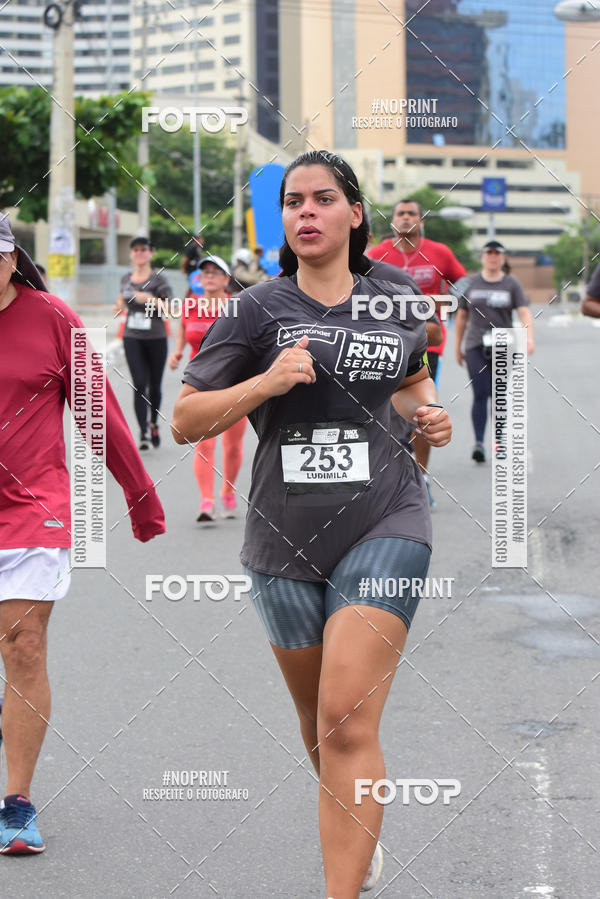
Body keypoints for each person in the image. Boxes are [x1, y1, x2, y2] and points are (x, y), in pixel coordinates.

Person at [172, 150, 452, 897]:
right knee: (321, 727)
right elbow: (185, 420)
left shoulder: (397, 296)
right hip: (282, 539)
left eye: (323, 199)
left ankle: (340, 888)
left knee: (345, 717)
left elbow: (411, 384)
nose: (306, 212)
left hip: (388, 516)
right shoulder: (254, 308)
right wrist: (266, 379)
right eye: (293, 201)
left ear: (355, 213)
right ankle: (356, 839)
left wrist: (426, 418)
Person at [0, 214, 165, 854]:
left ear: (14, 259)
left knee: (24, 647)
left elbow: (100, 412)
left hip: (32, 510)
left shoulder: (52, 319)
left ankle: (16, 802)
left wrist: (141, 496)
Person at [368, 199, 466, 507]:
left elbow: (461, 280)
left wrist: (450, 301)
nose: (407, 217)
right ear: (392, 220)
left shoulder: (439, 252)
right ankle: (387, 475)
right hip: (383, 342)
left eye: (412, 213)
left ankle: (421, 476)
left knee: (422, 408)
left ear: (420, 220)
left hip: (428, 340)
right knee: (383, 410)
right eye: (401, 213)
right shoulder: (377, 255)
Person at [169, 256, 247, 521]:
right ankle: (207, 500)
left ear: (227, 279)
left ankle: (227, 488)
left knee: (233, 445)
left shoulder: (237, 307)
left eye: (216, 272)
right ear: (199, 279)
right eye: (205, 272)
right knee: (204, 443)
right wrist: (178, 352)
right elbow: (182, 328)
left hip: (234, 384)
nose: (210, 276)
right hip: (199, 385)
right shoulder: (190, 305)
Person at [455, 239, 535, 462]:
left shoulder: (511, 283)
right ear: (482, 257)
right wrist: (457, 347)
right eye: (488, 253)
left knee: (499, 395)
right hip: (475, 345)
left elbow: (524, 313)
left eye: (497, 253)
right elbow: (461, 317)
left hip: (504, 345)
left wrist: (529, 338)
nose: (492, 256)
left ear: (502, 257)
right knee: (480, 393)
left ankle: (499, 441)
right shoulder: (469, 282)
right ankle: (479, 443)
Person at [113, 236, 172, 450]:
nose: (139, 253)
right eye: (135, 250)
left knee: (154, 385)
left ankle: (154, 422)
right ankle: (143, 432)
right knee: (139, 384)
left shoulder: (159, 280)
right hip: (132, 337)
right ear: (131, 254)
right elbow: (121, 302)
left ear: (151, 253)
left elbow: (169, 307)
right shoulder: (125, 279)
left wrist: (146, 299)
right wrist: (119, 306)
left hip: (156, 337)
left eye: (143, 249)